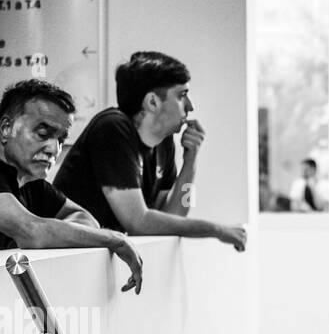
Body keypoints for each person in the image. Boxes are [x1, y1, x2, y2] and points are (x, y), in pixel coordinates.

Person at [0, 79, 143, 293]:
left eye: (61, 139)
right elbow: (31, 232)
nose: (54, 149)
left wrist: (52, 230)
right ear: (6, 128)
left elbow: (85, 219)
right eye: (43, 134)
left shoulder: (31, 184)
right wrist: (114, 239)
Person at [54, 51, 246, 251]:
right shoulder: (112, 127)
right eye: (182, 96)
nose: (190, 106)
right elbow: (138, 223)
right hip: (64, 261)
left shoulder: (164, 142)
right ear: (152, 102)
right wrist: (217, 229)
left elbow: (174, 217)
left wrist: (191, 162)